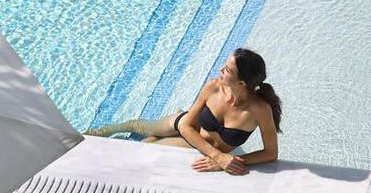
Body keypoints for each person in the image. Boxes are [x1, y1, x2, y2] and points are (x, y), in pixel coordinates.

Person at [85, 48, 281, 175]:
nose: (221, 69)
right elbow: (187, 125)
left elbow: (270, 153)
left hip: (193, 143)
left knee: (146, 146)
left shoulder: (259, 109)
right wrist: (217, 156)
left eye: (227, 70)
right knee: (144, 127)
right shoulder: (213, 87)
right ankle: (99, 132)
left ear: (241, 83)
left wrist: (232, 160)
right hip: (186, 125)